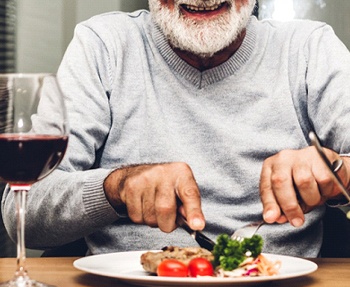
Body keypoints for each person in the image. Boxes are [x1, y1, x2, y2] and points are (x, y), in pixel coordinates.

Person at [2, 0, 350, 257]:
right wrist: (116, 187)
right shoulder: (102, 45)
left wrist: (339, 173)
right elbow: (26, 213)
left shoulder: (310, 48)